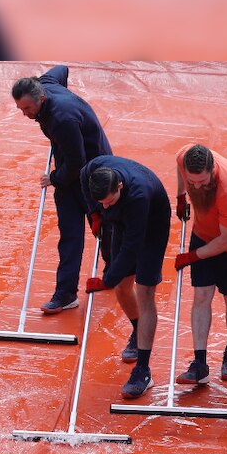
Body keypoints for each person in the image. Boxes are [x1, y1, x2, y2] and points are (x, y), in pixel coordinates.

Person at [11, 65, 112, 325]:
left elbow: (77, 164)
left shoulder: (62, 119)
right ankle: (66, 293)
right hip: (70, 166)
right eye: (21, 109)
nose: (25, 115)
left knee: (102, 225)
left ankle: (117, 271)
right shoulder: (46, 82)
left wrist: (52, 178)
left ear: (41, 99)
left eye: (28, 109)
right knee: (70, 234)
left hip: (92, 172)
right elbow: (62, 69)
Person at [80, 156, 172, 399]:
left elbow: (132, 247)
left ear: (119, 186)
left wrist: (106, 279)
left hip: (151, 225)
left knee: (144, 291)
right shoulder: (94, 169)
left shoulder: (138, 196)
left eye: (108, 201)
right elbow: (83, 179)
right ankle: (137, 329)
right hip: (123, 221)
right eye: (102, 202)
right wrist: (95, 214)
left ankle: (143, 370)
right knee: (122, 288)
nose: (106, 206)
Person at [170, 144, 227, 386]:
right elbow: (180, 171)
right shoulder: (184, 156)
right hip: (204, 232)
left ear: (213, 170)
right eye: (192, 182)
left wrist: (193, 256)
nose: (197, 187)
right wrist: (180, 196)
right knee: (201, 295)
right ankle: (200, 363)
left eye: (202, 182)